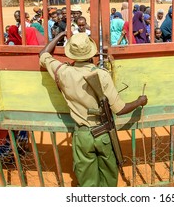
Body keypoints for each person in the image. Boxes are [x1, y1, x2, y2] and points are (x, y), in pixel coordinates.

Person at [39, 32, 147, 187]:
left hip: (82, 135)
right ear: (91, 52)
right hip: (103, 133)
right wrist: (139, 101)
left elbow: (43, 54)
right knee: (108, 180)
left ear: (71, 54)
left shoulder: (62, 72)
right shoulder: (101, 75)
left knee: (87, 182)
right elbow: (120, 109)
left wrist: (60, 35)